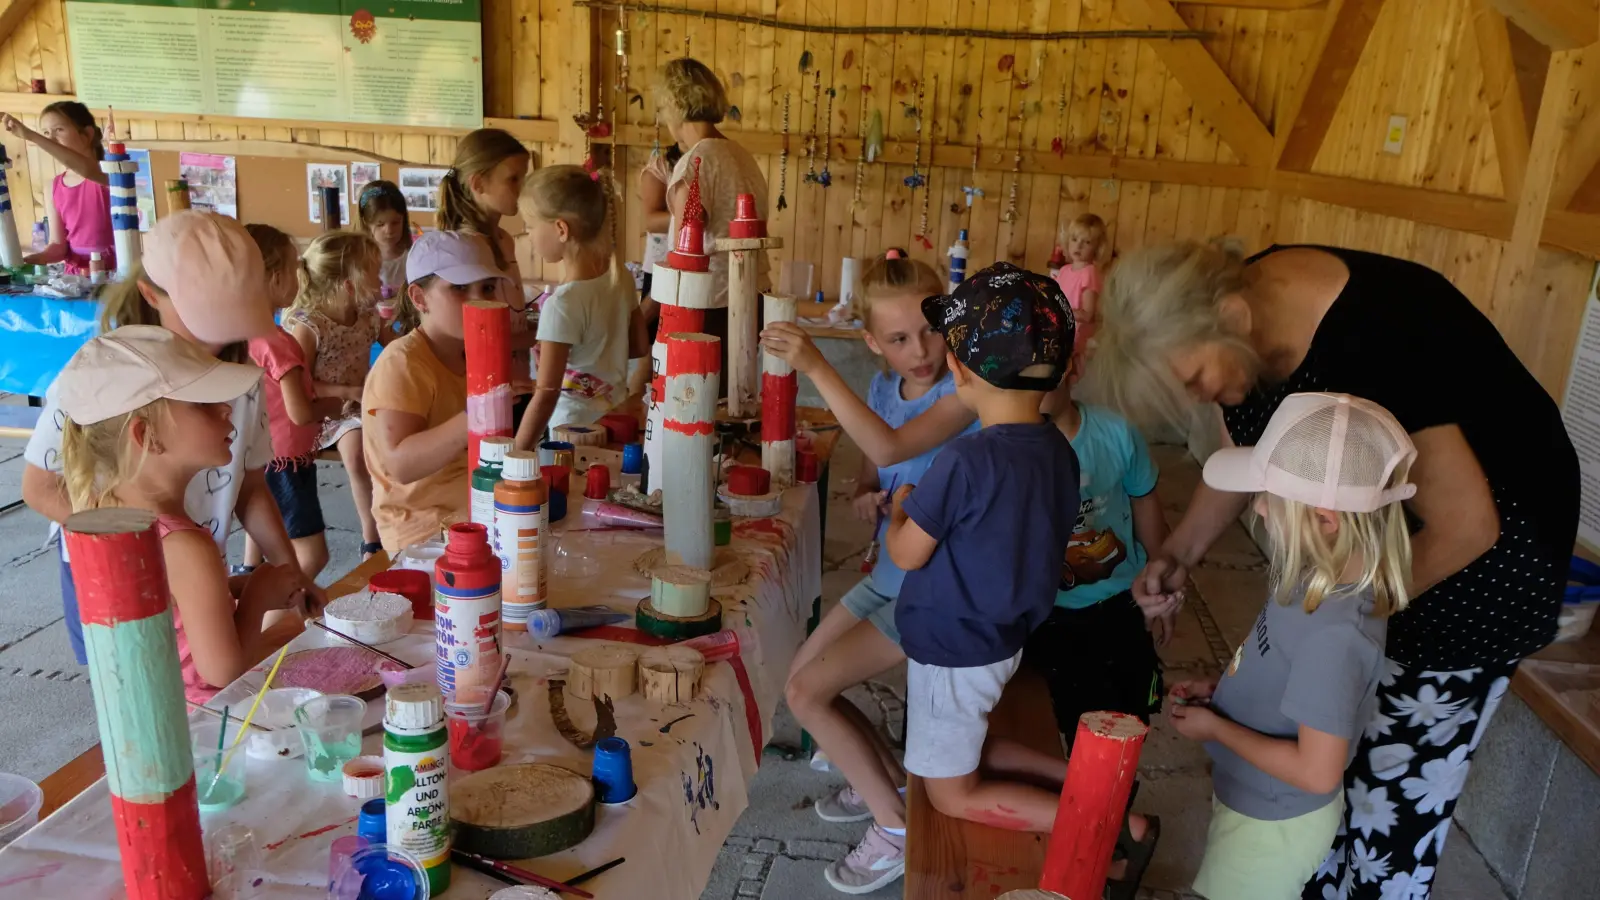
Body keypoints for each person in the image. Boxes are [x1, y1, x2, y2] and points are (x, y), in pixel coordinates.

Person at [1089, 241, 1580, 900]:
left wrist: (1328, 626)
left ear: (1231, 318)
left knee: (1385, 813)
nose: (1197, 399)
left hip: (1479, 570)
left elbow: (1467, 526)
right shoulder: (1239, 316)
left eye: (1193, 381)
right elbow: (1255, 451)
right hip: (1364, 564)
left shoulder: (1379, 336)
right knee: (1325, 768)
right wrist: (1177, 553)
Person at [761, 251, 978, 894]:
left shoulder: (963, 393)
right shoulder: (887, 388)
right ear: (873, 343)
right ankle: (884, 781)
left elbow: (890, 444)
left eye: (932, 329)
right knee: (796, 674)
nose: (922, 350)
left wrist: (816, 366)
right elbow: (876, 458)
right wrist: (863, 490)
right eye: (899, 339)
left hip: (935, 587)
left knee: (806, 696)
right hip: (891, 567)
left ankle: (896, 828)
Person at [21, 211, 323, 664]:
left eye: (232, 316)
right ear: (150, 294)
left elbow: (252, 486)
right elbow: (40, 487)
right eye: (206, 316)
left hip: (192, 561)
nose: (220, 337)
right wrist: (149, 551)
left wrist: (289, 573)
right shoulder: (101, 377)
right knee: (135, 685)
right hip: (116, 568)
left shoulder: (239, 380)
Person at [1170, 392, 1415, 900]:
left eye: (1269, 497)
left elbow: (1316, 770)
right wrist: (1225, 693)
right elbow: (1283, 668)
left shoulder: (1334, 635)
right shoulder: (1315, 580)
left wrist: (1217, 727)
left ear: (1326, 520)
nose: (1257, 506)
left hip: (1273, 822)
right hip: (1256, 800)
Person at [887, 263, 1078, 836]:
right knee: (976, 742)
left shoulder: (965, 460)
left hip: (954, 647)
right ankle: (1093, 781)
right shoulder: (1059, 452)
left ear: (956, 369)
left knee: (948, 795)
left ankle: (1102, 824)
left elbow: (906, 554)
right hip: (1003, 639)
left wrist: (901, 508)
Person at [58, 327, 308, 702]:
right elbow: (222, 671)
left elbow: (171, 615)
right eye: (202, 404)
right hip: (210, 733)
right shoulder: (186, 545)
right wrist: (258, 597)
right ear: (147, 436)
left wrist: (235, 589)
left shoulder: (109, 511)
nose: (226, 407)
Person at [1027, 357, 1171, 896]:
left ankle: (1109, 840)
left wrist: (1163, 583)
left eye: (1043, 377)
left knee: (1117, 729)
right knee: (1046, 730)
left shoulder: (1115, 434)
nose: (1030, 393)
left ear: (1075, 368)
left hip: (1115, 608)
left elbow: (1147, 506)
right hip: (1038, 617)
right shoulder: (1003, 443)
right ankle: (1074, 831)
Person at [364, 230, 509, 555]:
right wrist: (479, 413)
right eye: (459, 288)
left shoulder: (474, 354)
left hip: (478, 510)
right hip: (424, 531)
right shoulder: (403, 362)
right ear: (419, 297)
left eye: (486, 287)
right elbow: (401, 465)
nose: (477, 298)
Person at [512, 165, 648, 450]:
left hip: (571, 432)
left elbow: (547, 394)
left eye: (530, 227)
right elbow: (637, 347)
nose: (530, 238)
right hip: (615, 421)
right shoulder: (619, 275)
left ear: (560, 229)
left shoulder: (562, 305)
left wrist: (516, 453)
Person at [243, 224, 345, 580]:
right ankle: (269, 623)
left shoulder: (246, 337)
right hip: (286, 462)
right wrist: (335, 408)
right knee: (310, 556)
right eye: (293, 268)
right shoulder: (277, 343)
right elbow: (300, 413)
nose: (299, 278)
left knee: (273, 545)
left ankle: (260, 603)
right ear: (273, 279)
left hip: (264, 457)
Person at [659, 57, 770, 381]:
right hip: (753, 297)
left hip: (708, 304)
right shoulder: (742, 156)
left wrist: (652, 310)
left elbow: (685, 250)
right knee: (734, 398)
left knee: (695, 404)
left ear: (675, 105)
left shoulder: (697, 160)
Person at [286, 231, 394, 559]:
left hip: (359, 404)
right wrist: (347, 392)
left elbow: (399, 346)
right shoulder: (309, 325)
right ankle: (371, 539)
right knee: (358, 451)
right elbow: (298, 385)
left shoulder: (369, 317)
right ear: (350, 283)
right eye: (374, 272)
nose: (381, 280)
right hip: (325, 412)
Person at [437, 128, 536, 394]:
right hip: (484, 388)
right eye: (513, 179)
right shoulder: (467, 249)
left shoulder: (503, 238)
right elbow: (474, 338)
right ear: (478, 184)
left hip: (514, 380)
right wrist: (549, 333)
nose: (522, 188)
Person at [2, 102, 112, 275]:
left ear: (88, 134)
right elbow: (58, 246)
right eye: (45, 133)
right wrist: (29, 260)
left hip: (112, 273)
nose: (50, 139)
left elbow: (86, 169)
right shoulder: (53, 186)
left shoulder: (107, 173)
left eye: (59, 130)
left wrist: (31, 136)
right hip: (76, 276)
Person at [638, 142, 685, 338]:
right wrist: (687, 214)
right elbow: (650, 221)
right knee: (653, 340)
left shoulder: (707, 164)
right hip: (661, 262)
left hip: (694, 262)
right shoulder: (661, 168)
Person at [357, 180, 417, 329]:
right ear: (366, 223)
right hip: (371, 331)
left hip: (406, 327)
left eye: (396, 222)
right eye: (380, 224)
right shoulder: (359, 258)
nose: (389, 230)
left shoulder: (413, 254)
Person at [1053, 213, 1107, 374]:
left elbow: (1088, 315)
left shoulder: (1089, 273)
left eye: (1087, 242)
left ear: (1097, 248)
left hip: (1076, 339)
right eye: (1075, 239)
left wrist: (1060, 310)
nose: (1079, 246)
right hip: (1061, 330)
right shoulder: (1064, 270)